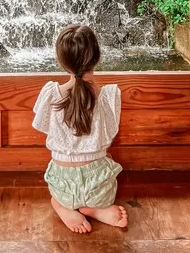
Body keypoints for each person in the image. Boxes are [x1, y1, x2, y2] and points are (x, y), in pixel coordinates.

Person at [32, 23, 128, 233]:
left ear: (61, 61)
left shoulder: (51, 94)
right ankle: (94, 209)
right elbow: (110, 133)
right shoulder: (108, 96)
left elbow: (41, 125)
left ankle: (62, 206)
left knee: (55, 197)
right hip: (99, 187)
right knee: (107, 160)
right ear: (97, 57)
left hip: (62, 185)